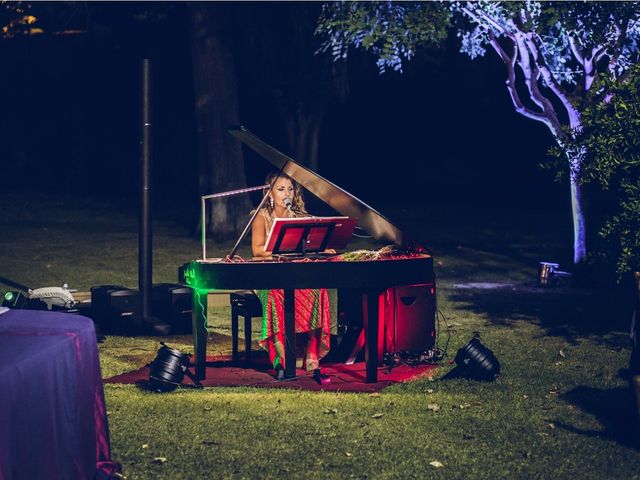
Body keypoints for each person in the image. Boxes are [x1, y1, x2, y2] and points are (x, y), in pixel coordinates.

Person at [251, 172, 332, 382]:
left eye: (289, 188)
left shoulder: (300, 217)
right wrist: (282, 252)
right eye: (280, 189)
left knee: (317, 289)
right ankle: (281, 360)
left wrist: (323, 248)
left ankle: (312, 356)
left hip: (295, 275)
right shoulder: (261, 216)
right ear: (269, 193)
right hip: (269, 277)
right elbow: (258, 250)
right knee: (276, 295)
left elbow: (309, 246)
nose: (286, 193)